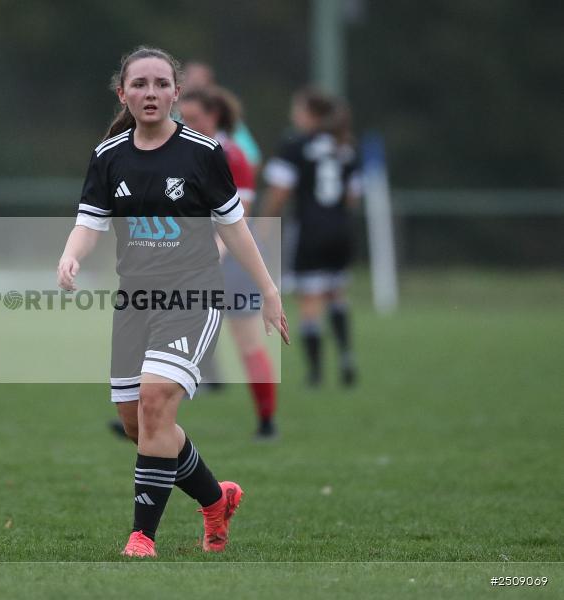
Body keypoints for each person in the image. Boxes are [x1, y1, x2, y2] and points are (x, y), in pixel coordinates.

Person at [57, 47, 289, 558]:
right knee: (140, 425)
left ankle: (142, 536)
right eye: (139, 84)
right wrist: (70, 256)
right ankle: (215, 498)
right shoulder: (108, 155)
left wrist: (269, 291)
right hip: (134, 301)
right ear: (124, 94)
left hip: (194, 296)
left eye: (162, 84)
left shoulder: (204, 153)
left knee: (156, 402)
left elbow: (236, 227)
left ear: (177, 94)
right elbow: (89, 223)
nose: (151, 93)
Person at [179, 86, 279, 439]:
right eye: (182, 118)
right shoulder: (181, 151)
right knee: (170, 340)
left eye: (194, 119)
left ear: (215, 117)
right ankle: (146, 416)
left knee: (247, 342)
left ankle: (267, 422)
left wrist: (215, 253)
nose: (186, 124)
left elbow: (239, 220)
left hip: (234, 263)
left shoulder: (232, 156)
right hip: (193, 260)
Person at [263, 88, 361, 387]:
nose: (294, 116)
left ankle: (316, 373)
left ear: (311, 115)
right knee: (336, 293)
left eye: (298, 110)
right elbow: (353, 198)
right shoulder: (345, 145)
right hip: (341, 230)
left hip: (310, 231)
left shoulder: (295, 145)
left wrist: (265, 222)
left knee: (310, 301)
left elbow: (280, 191)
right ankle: (346, 355)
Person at [183, 61, 264, 173]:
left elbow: (251, 160)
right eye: (191, 83)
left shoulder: (231, 127)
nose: (189, 125)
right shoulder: (171, 117)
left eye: (199, 85)